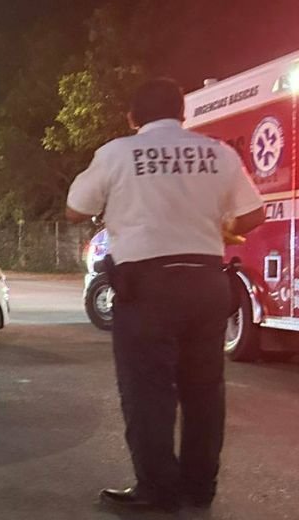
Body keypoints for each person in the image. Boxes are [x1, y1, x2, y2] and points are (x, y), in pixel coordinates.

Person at [66, 77, 265, 512]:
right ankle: (198, 488)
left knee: (147, 391)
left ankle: (156, 489)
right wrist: (222, 229)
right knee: (204, 391)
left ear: (132, 116)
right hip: (206, 284)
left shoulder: (117, 152)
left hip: (147, 289)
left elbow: (75, 207)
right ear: (183, 114)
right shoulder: (217, 152)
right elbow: (254, 213)